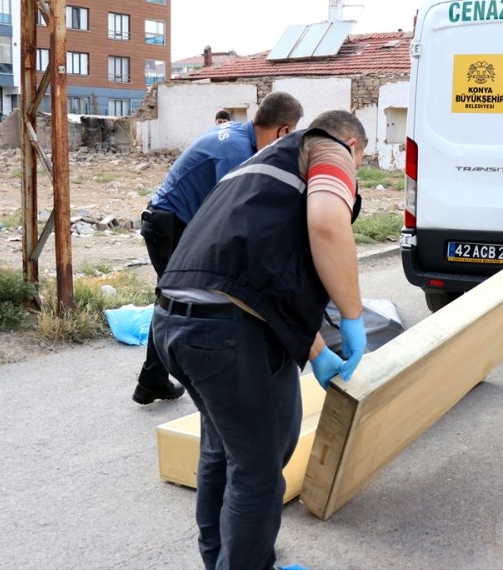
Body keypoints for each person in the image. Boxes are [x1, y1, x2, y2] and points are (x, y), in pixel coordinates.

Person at [152, 110, 368, 569]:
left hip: (176, 322)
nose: (354, 177)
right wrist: (353, 317)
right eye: (360, 165)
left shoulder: (256, 167)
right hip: (226, 335)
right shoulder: (329, 147)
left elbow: (258, 279)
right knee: (260, 471)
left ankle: (223, 562)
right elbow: (328, 225)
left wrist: (317, 350)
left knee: (223, 451)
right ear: (354, 145)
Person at [133, 92, 304, 405]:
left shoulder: (238, 134)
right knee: (177, 302)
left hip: (169, 222)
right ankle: (162, 377)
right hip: (170, 226)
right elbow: (235, 214)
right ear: (284, 131)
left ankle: (152, 379)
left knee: (171, 300)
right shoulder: (236, 155)